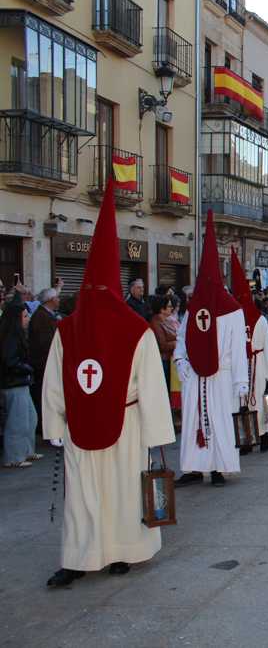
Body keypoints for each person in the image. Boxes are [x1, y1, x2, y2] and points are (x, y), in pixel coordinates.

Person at [41, 182, 174, 587]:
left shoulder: (72, 327)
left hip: (100, 422)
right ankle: (99, 554)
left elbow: (52, 384)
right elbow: (151, 386)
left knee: (88, 493)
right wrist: (156, 434)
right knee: (115, 490)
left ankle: (102, 554)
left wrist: (54, 425)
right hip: (113, 425)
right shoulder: (130, 329)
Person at [174, 211, 248, 487]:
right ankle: (194, 467)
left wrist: (241, 381)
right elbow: (182, 338)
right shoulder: (193, 309)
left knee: (219, 419)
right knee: (193, 419)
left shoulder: (233, 310)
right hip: (195, 376)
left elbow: (238, 349)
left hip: (221, 376)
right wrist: (181, 361)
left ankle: (218, 467)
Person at [230, 249, 268, 453]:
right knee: (242, 402)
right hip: (241, 364)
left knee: (257, 401)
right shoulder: (233, 320)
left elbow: (267, 347)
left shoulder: (261, 320)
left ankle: (263, 436)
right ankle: (246, 438)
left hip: (257, 364)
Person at [2, 293, 40, 469]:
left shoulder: (16, 336)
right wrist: (28, 368)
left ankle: (26, 451)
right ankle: (14, 457)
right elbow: (10, 362)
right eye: (25, 316)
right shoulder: (10, 338)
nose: (28, 319)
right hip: (13, 384)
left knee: (30, 418)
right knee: (18, 422)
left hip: (20, 382)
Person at [28, 286, 61, 416]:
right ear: (51, 300)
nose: (59, 300)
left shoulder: (47, 315)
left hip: (46, 364)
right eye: (57, 297)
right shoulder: (41, 317)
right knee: (42, 396)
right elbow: (45, 343)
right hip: (43, 364)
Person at [148, 294, 177, 389]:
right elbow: (162, 345)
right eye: (169, 306)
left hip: (170, 360)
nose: (172, 308)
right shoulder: (156, 322)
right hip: (163, 361)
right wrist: (176, 343)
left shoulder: (166, 320)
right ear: (162, 309)